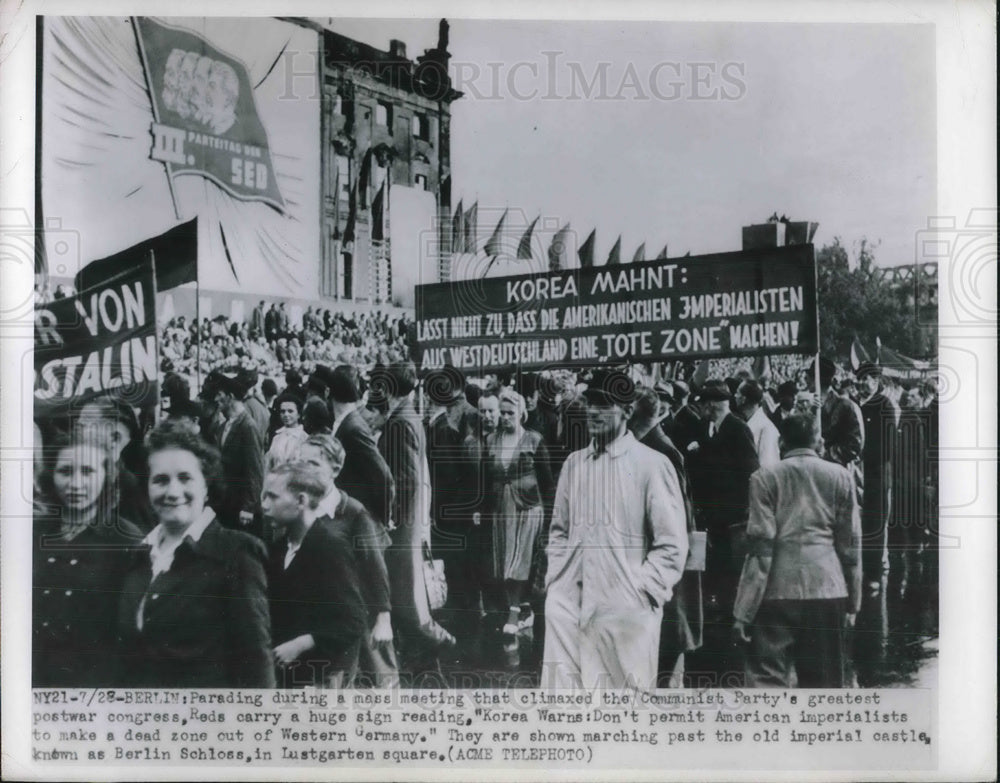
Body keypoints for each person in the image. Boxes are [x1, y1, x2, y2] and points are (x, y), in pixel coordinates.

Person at [542, 370, 688, 691]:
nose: (594, 411)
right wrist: (556, 584)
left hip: (625, 613)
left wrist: (644, 591)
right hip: (569, 608)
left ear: (627, 410)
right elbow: (559, 531)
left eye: (605, 404)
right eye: (591, 403)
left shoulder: (652, 464)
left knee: (623, 717)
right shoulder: (574, 464)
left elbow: (672, 543)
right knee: (566, 713)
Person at [118, 423, 274, 687]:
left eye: (185, 478)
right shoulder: (139, 556)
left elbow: (256, 664)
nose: (172, 492)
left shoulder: (236, 553)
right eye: (160, 480)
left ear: (206, 485)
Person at [733, 414, 861, 687]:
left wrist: (743, 611)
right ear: (819, 442)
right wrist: (854, 601)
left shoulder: (763, 479)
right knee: (824, 687)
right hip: (828, 587)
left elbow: (761, 552)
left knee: (768, 683)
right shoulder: (841, 477)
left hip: (776, 591)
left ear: (782, 442)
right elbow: (850, 547)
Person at [33, 432, 143, 686]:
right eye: (65, 471)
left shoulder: (126, 541)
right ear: (51, 475)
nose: (76, 484)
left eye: (88, 471)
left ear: (107, 476)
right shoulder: (34, 532)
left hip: (94, 681)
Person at [370, 362, 455, 682]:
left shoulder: (400, 422)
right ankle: (424, 656)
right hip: (408, 519)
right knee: (405, 591)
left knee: (404, 594)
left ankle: (433, 640)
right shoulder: (407, 417)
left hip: (402, 523)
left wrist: (394, 518)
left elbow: (406, 479)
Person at [297, 433, 397, 687]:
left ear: (335, 469)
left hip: (346, 619)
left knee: (340, 686)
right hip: (308, 614)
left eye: (313, 465)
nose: (304, 472)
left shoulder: (352, 513)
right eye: (301, 463)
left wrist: (383, 618)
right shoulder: (297, 509)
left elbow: (374, 567)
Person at [262, 461, 368, 688]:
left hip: (319, 677)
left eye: (272, 497)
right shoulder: (279, 548)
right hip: (287, 677)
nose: (264, 505)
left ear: (301, 500)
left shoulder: (330, 547)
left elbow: (352, 621)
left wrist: (302, 643)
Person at [628, 386, 702, 687]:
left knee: (668, 632)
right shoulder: (654, 447)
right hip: (659, 553)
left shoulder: (662, 451)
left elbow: (677, 514)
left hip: (665, 556)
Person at [482, 388, 553, 649]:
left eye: (510, 413)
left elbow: (547, 482)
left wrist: (550, 517)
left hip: (527, 508)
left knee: (520, 559)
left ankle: (514, 611)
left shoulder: (534, 440)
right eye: (502, 413)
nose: (505, 417)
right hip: (501, 508)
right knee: (503, 562)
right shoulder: (490, 440)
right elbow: (485, 477)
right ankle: (515, 607)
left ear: (521, 413)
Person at [326, 364, 394, 529]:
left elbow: (384, 476)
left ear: (328, 392)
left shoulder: (353, 427)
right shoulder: (348, 423)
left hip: (358, 519)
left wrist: (382, 519)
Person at [204, 371, 266, 535]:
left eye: (219, 395)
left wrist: (249, 507)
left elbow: (255, 471)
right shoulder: (224, 426)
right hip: (225, 503)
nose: (216, 399)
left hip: (240, 507)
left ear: (230, 396)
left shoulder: (248, 427)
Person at [857, 362, 898, 588]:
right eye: (861, 379)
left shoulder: (885, 405)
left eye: (867, 379)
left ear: (876, 381)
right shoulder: (857, 404)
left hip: (877, 472)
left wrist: (862, 453)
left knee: (874, 521)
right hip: (859, 470)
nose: (863, 383)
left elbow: (887, 447)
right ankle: (861, 567)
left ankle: (873, 573)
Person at [735, 379, 781, 469]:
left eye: (737, 393)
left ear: (743, 399)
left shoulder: (766, 428)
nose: (735, 396)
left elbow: (767, 465)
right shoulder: (747, 423)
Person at [267, 393, 308, 469]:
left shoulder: (305, 439)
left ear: (299, 414)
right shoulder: (276, 438)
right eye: (282, 411)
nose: (286, 414)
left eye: (290, 411)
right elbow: (268, 465)